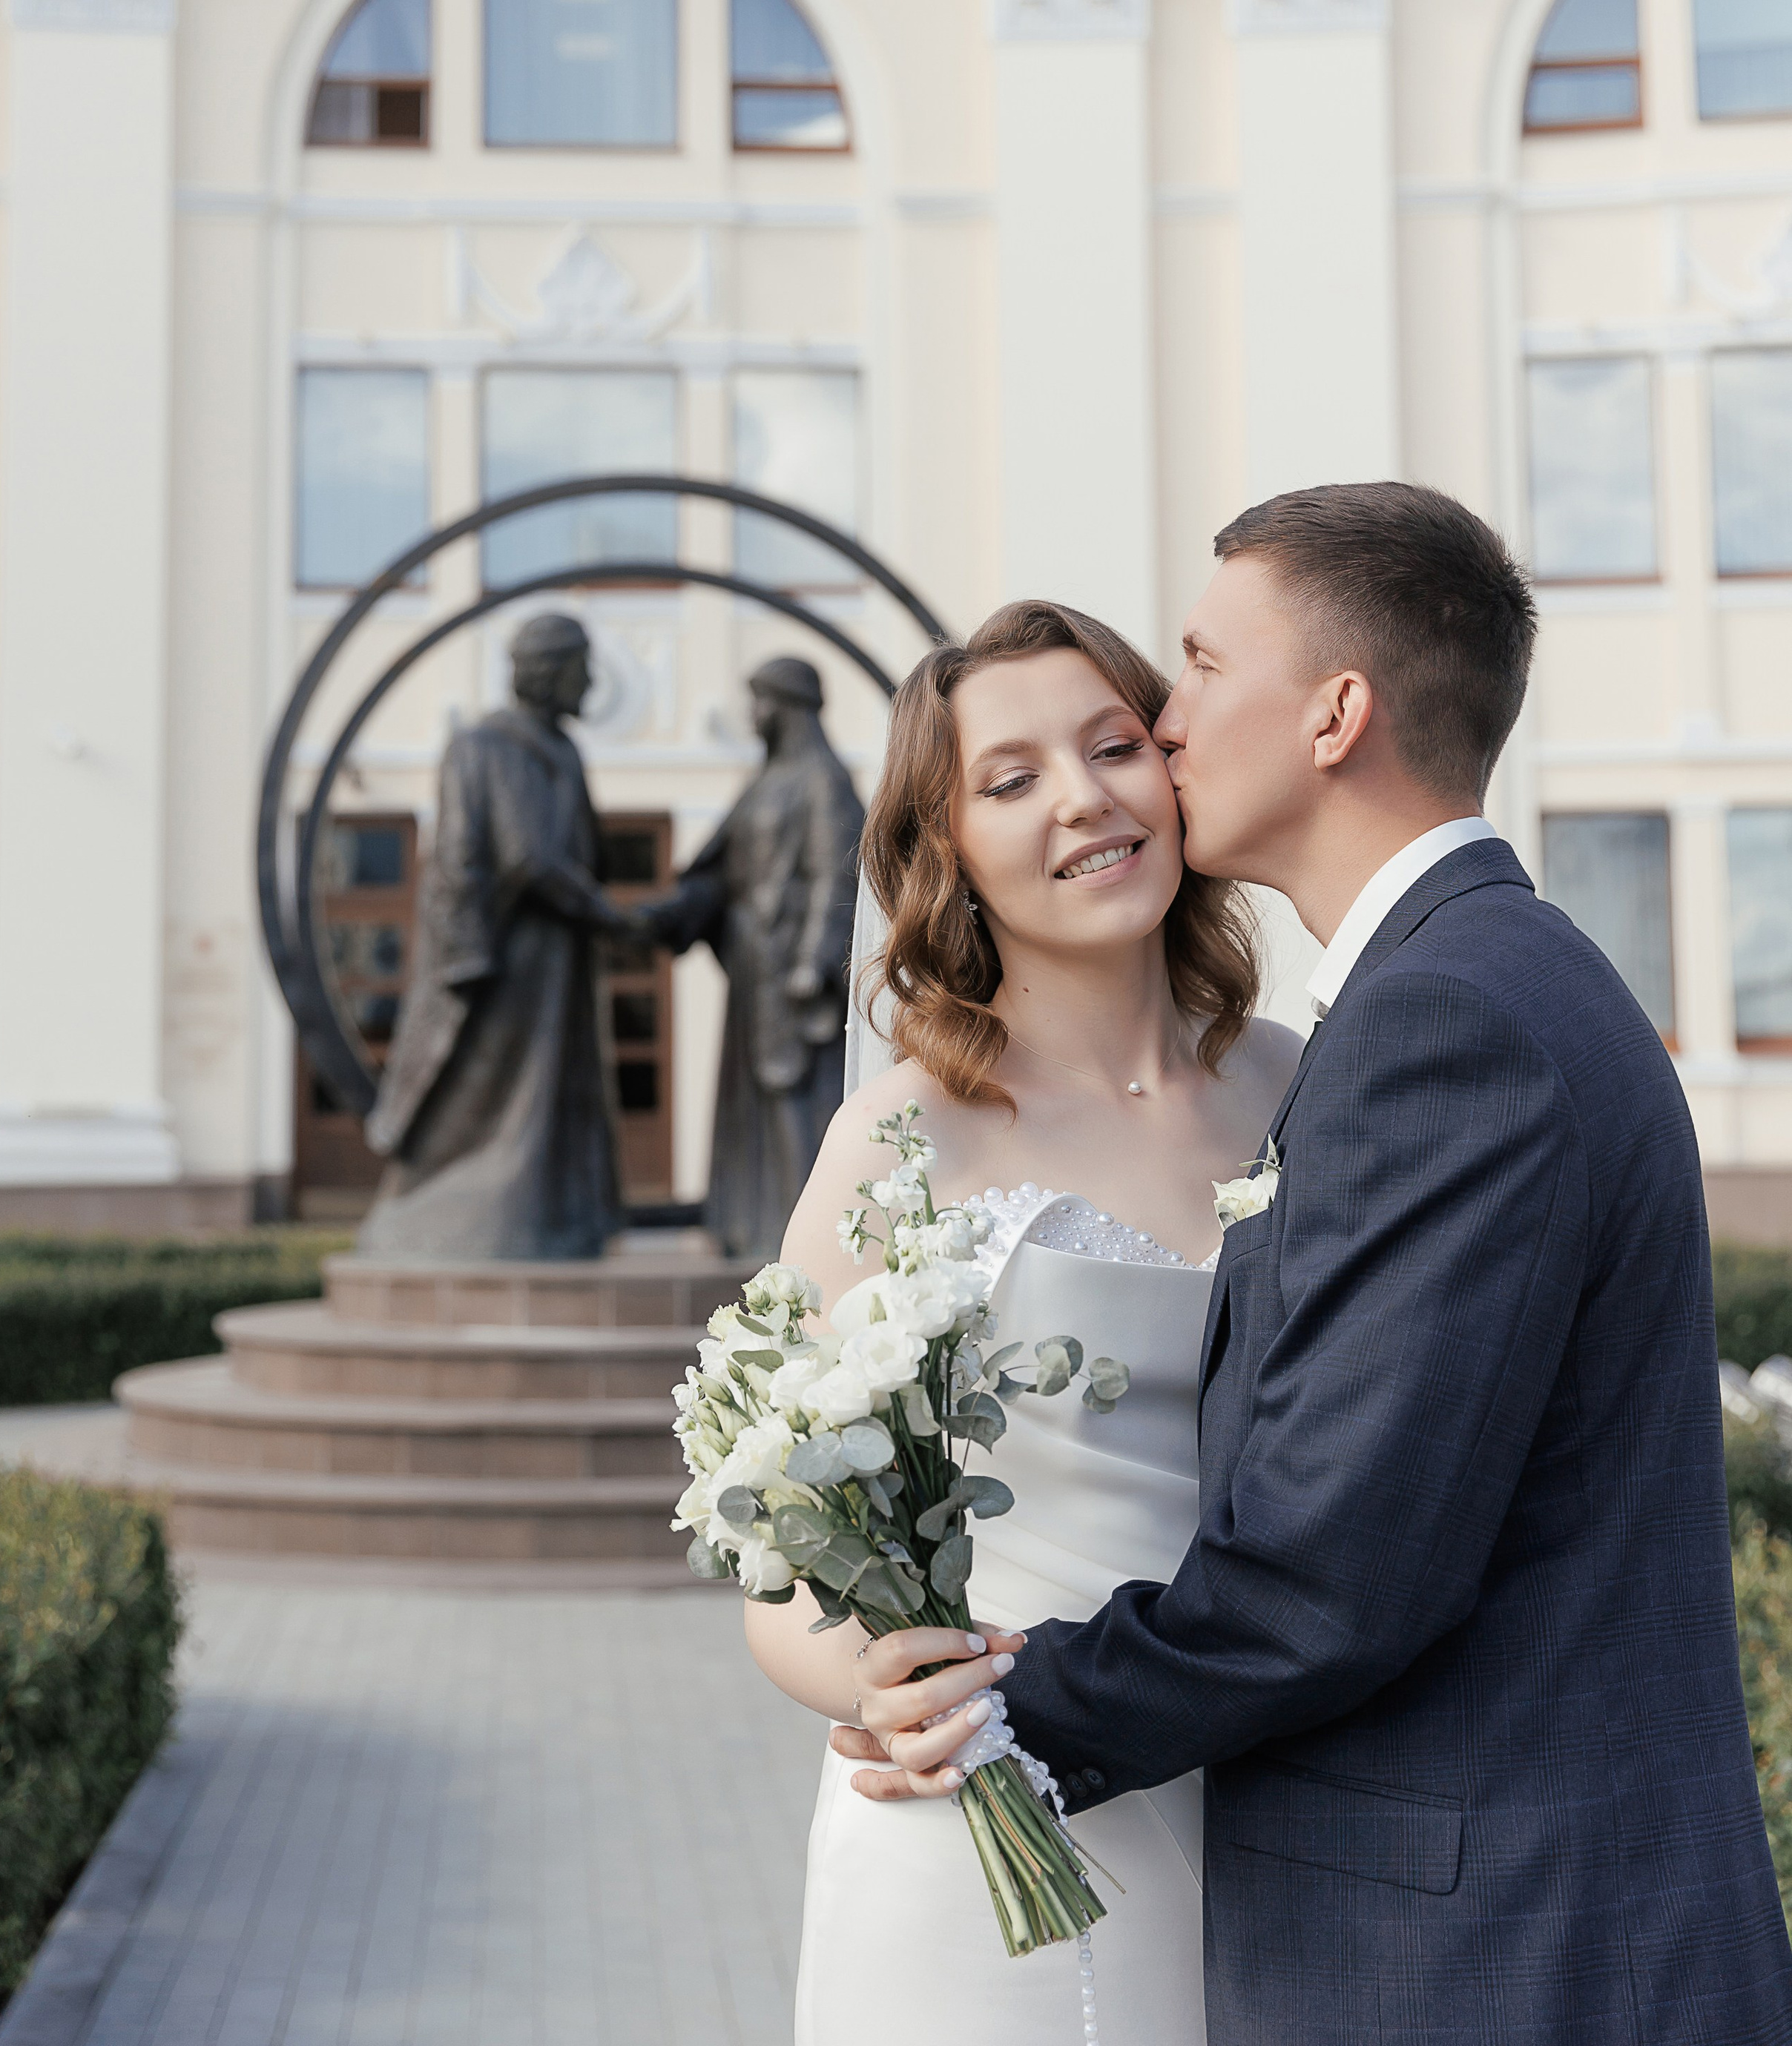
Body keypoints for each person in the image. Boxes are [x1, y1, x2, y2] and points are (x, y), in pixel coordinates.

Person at [845, 486, 1792, 2044]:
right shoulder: (1467, 985)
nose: (1162, 712)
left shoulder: (1446, 1022)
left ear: (1335, 713)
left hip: (1493, 1952)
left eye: (1206, 663)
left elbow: (1333, 1569)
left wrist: (999, 1703)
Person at [746, 594, 1301, 2046]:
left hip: (1276, 1806)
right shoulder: (901, 1137)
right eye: (1009, 780)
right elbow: (777, 1556)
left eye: (1112, 746)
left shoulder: (1312, 1090)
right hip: (980, 1821)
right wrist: (877, 1679)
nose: (1081, 800)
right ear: (950, 856)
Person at [360, 611, 630, 1259]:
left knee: (553, 1093)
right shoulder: (494, 745)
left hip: (558, 956)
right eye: (581, 668)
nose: (591, 681)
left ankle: (558, 1221)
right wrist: (612, 916)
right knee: (495, 1092)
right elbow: (528, 857)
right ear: (550, 672)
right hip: (512, 962)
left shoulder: (559, 747)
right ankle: (464, 1219)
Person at [642, 655, 865, 1263]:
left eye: (760, 702)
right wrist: (666, 915)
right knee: (754, 1107)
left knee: (796, 1101)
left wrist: (814, 962)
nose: (753, 716)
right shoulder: (767, 781)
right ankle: (752, 1227)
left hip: (793, 980)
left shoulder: (823, 779)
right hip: (754, 973)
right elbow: (720, 870)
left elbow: (840, 873)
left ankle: (813, 1244)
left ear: (787, 706)